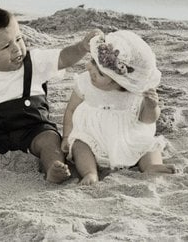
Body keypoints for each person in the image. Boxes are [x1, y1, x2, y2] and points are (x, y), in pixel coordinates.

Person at [0, 5, 102, 183]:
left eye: (19, 38)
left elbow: (63, 58)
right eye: (6, 46)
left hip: (34, 130)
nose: (17, 48)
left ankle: (53, 168)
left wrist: (81, 47)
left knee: (51, 140)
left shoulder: (34, 62)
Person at [61, 30, 176, 185]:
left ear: (120, 83)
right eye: (93, 61)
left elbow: (147, 120)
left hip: (128, 136)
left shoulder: (135, 94)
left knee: (148, 145)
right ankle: (90, 173)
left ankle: (150, 165)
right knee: (80, 146)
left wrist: (151, 106)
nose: (89, 68)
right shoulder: (85, 83)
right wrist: (67, 136)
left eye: (100, 73)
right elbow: (71, 109)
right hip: (93, 135)